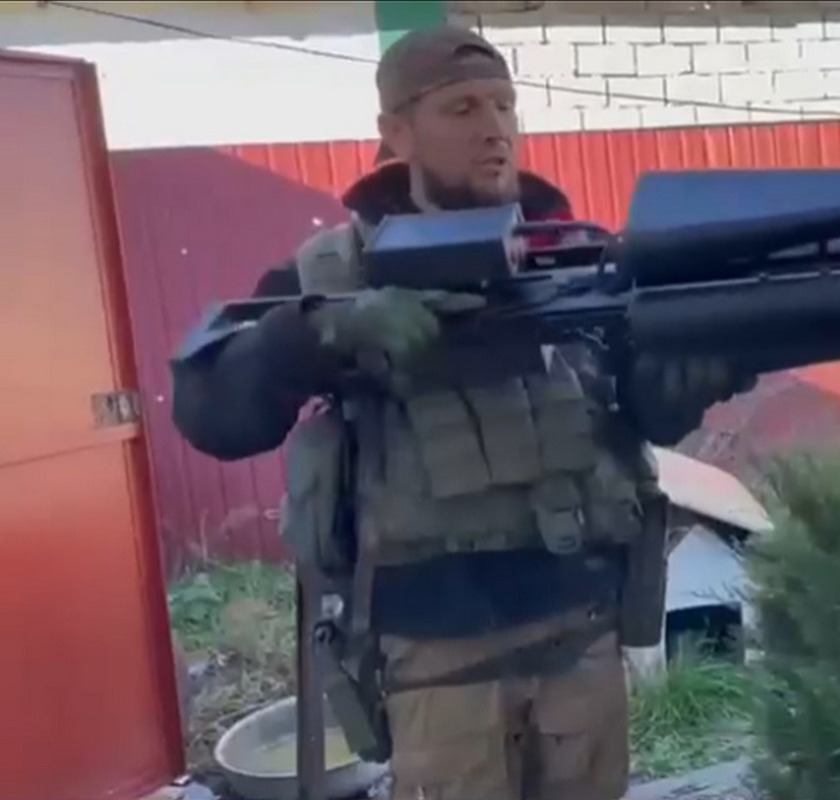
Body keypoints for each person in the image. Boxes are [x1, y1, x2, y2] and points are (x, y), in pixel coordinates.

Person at [170, 26, 756, 800]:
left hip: (582, 631)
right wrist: (320, 332)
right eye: (463, 108)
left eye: (505, 105)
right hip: (440, 660)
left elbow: (640, 411)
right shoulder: (335, 271)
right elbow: (211, 414)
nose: (495, 128)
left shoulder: (572, 258)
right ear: (395, 132)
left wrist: (689, 382)